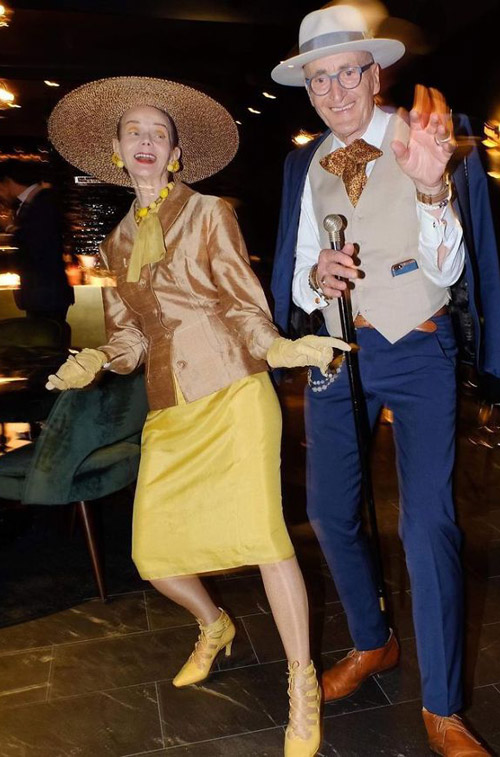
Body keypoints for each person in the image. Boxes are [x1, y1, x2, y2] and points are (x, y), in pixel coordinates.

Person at [47, 76, 350, 757]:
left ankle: (302, 682)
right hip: (170, 406)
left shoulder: (210, 213)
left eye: (158, 133)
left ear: (175, 152)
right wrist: (96, 359)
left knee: (266, 540)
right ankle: (214, 624)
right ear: (117, 151)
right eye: (134, 132)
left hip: (235, 392)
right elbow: (131, 336)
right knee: (153, 556)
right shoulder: (117, 243)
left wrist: (278, 346)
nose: (146, 141)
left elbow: (241, 302)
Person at [271, 6, 500, 756]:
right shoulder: (305, 165)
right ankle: (374, 640)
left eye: (348, 72)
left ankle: (443, 707)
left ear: (375, 74)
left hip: (416, 346)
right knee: (327, 509)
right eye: (320, 79)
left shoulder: (420, 138)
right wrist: (316, 277)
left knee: (426, 524)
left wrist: (433, 188)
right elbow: (300, 274)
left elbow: (448, 268)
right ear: (308, 89)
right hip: (338, 350)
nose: (336, 89)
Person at [0, 159, 74, 323]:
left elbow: (35, 245)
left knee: (47, 335)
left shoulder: (43, 202)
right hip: (43, 293)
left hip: (46, 293)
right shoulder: (34, 202)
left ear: (8, 182)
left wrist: (10, 228)